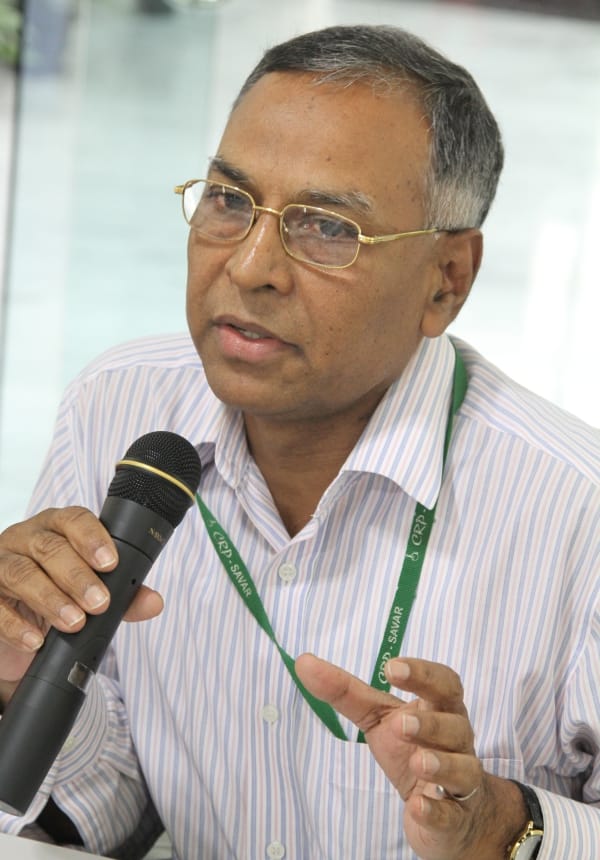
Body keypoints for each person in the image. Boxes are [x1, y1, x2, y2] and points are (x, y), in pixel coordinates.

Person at [0, 23, 598, 860]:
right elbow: (115, 798)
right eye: (229, 201)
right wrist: (20, 682)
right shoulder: (117, 406)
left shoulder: (576, 510)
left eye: (326, 227)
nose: (250, 267)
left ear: (447, 280)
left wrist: (503, 827)